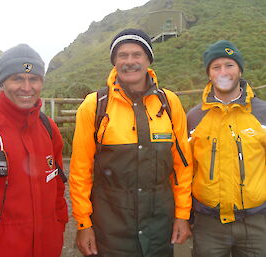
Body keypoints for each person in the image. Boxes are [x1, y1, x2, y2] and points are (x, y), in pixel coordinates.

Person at [69, 28, 193, 257]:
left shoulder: (169, 103)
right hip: (110, 227)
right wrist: (83, 224)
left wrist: (182, 215)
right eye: (122, 55)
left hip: (159, 226)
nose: (130, 61)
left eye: (137, 54)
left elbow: (182, 167)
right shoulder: (94, 106)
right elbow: (80, 171)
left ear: (148, 59)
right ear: (114, 61)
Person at [0, 44, 68, 257]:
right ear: (3, 83)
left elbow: (58, 188)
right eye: (17, 79)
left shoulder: (49, 130)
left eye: (34, 79)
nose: (27, 87)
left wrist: (57, 228)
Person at [187, 40, 266, 257]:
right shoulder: (194, 117)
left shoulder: (263, 113)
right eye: (216, 67)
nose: (223, 72)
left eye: (229, 65)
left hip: (258, 223)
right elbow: (186, 170)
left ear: (240, 69)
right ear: (209, 74)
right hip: (209, 225)